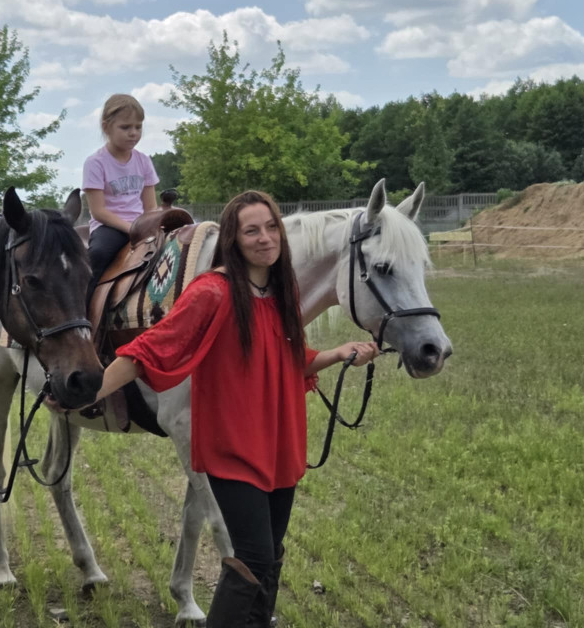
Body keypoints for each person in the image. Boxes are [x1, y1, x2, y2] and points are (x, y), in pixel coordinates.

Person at [86, 190, 380, 627]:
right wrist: (89, 390)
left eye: (270, 227)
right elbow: (151, 349)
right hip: (233, 448)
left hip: (279, 443)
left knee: (270, 556)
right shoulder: (213, 291)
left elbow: (288, 358)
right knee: (254, 556)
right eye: (251, 230)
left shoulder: (282, 291)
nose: (264, 238)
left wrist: (336, 353)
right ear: (234, 240)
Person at [81, 94, 159, 303]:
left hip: (141, 224)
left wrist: (150, 225)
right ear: (106, 127)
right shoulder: (95, 163)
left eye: (138, 127)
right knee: (97, 254)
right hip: (110, 227)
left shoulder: (143, 161)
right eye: (125, 128)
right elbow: (99, 211)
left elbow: (151, 206)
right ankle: (83, 311)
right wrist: (130, 228)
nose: (133, 133)